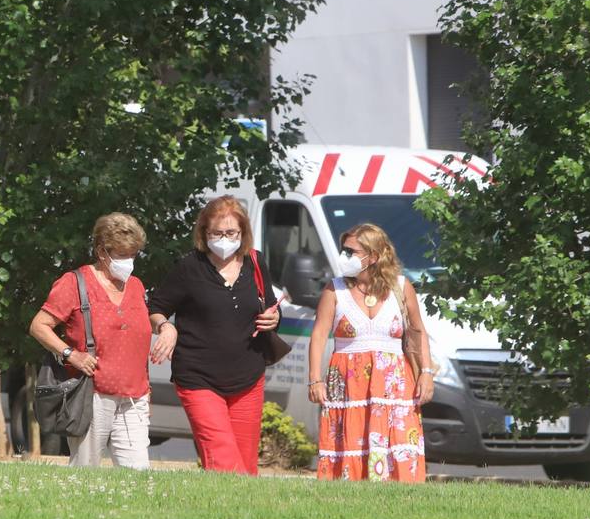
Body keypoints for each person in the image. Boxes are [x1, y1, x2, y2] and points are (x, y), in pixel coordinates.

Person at [147, 196, 281, 474]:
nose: (223, 239)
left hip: (247, 376)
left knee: (245, 465)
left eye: (230, 233)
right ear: (204, 233)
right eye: (216, 233)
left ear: (242, 233)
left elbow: (269, 304)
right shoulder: (189, 267)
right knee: (223, 458)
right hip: (198, 377)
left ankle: (236, 516)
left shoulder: (256, 262)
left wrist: (273, 317)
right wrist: (165, 326)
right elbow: (156, 308)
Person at [307, 222, 432, 482]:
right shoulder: (335, 289)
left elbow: (417, 331)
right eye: (345, 250)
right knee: (352, 440)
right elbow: (319, 334)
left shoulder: (400, 286)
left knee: (397, 441)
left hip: (393, 382)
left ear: (373, 257)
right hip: (348, 382)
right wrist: (315, 379)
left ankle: (402, 494)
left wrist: (426, 373)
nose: (344, 256)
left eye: (351, 251)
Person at [28, 212, 152, 469]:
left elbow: (136, 341)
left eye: (132, 255)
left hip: (134, 397)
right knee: (86, 472)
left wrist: (146, 388)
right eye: (121, 255)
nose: (128, 261)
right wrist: (70, 354)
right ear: (101, 251)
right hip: (91, 394)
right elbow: (39, 326)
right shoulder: (75, 283)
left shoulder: (137, 286)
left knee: (138, 475)